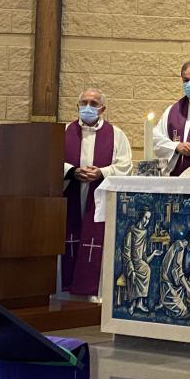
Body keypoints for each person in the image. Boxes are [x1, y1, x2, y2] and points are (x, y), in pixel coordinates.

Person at [62, 88, 131, 296]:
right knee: (70, 237)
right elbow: (50, 160)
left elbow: (125, 166)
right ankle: (65, 290)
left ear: (103, 108)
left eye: (93, 103)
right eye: (84, 103)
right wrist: (72, 171)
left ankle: (92, 291)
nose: (88, 107)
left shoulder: (116, 135)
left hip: (99, 197)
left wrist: (101, 172)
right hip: (71, 192)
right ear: (77, 106)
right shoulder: (64, 132)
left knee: (94, 241)